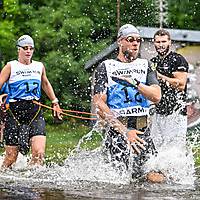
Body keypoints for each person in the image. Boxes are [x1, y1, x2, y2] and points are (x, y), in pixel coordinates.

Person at [93, 24, 164, 182]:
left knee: (155, 178)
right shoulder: (106, 67)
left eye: (138, 40)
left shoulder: (145, 65)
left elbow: (156, 96)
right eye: (130, 39)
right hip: (119, 131)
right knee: (123, 182)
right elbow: (99, 103)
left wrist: (135, 83)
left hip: (142, 130)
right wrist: (125, 132)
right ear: (120, 42)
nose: (135, 43)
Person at [0, 34, 62, 169]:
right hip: (15, 112)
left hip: (35, 111)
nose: (28, 51)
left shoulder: (39, 66)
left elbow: (45, 83)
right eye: (25, 48)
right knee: (11, 158)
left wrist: (55, 102)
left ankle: (32, 182)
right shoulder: (11, 66)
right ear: (19, 49)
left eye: (31, 48)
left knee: (39, 153)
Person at [149, 29, 195, 182]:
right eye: (158, 42)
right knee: (156, 150)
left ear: (169, 42)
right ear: (154, 43)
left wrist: (159, 77)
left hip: (176, 114)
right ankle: (159, 182)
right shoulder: (153, 62)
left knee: (174, 152)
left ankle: (180, 182)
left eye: (163, 41)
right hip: (158, 113)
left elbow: (181, 84)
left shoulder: (178, 59)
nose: (161, 45)